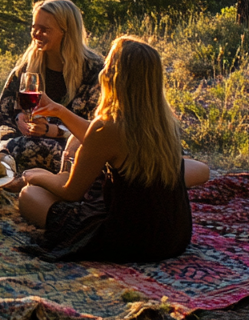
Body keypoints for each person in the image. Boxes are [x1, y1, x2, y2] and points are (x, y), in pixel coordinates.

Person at [16, 36, 211, 262]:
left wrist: (34, 176)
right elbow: (108, 139)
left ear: (114, 77)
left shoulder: (108, 128)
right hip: (172, 237)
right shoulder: (163, 124)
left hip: (128, 239)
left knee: (30, 195)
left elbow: (71, 192)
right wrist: (59, 111)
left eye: (107, 66)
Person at [0, 0, 103, 174]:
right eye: (34, 27)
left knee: (30, 150)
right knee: (12, 148)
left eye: (44, 30)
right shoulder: (27, 67)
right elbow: (3, 117)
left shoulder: (93, 71)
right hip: (22, 142)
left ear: (66, 32)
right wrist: (19, 119)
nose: (35, 34)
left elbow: (98, 131)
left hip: (73, 150)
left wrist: (54, 131)